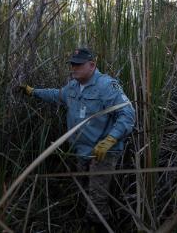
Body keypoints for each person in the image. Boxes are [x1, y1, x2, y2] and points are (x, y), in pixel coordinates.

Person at [19, 48, 135, 230]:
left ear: (92, 65)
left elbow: (127, 114)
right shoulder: (73, 86)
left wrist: (111, 139)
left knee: (97, 201)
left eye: (78, 64)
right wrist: (33, 92)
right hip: (81, 152)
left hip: (102, 154)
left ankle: (99, 226)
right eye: (72, 64)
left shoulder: (106, 85)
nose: (74, 68)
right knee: (85, 193)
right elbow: (56, 95)